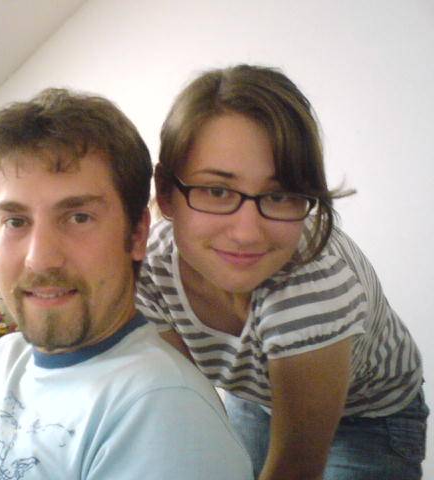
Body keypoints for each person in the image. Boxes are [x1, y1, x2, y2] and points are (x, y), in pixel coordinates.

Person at [0, 88, 252, 479]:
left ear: (138, 234)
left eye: (78, 217)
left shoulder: (164, 415)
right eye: (16, 221)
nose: (40, 258)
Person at [136, 64, 428, 480]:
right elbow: (196, 412)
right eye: (217, 191)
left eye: (280, 195)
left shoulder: (315, 294)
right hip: (257, 398)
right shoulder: (150, 273)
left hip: (371, 417)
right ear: (166, 193)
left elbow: (295, 469)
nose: (246, 233)